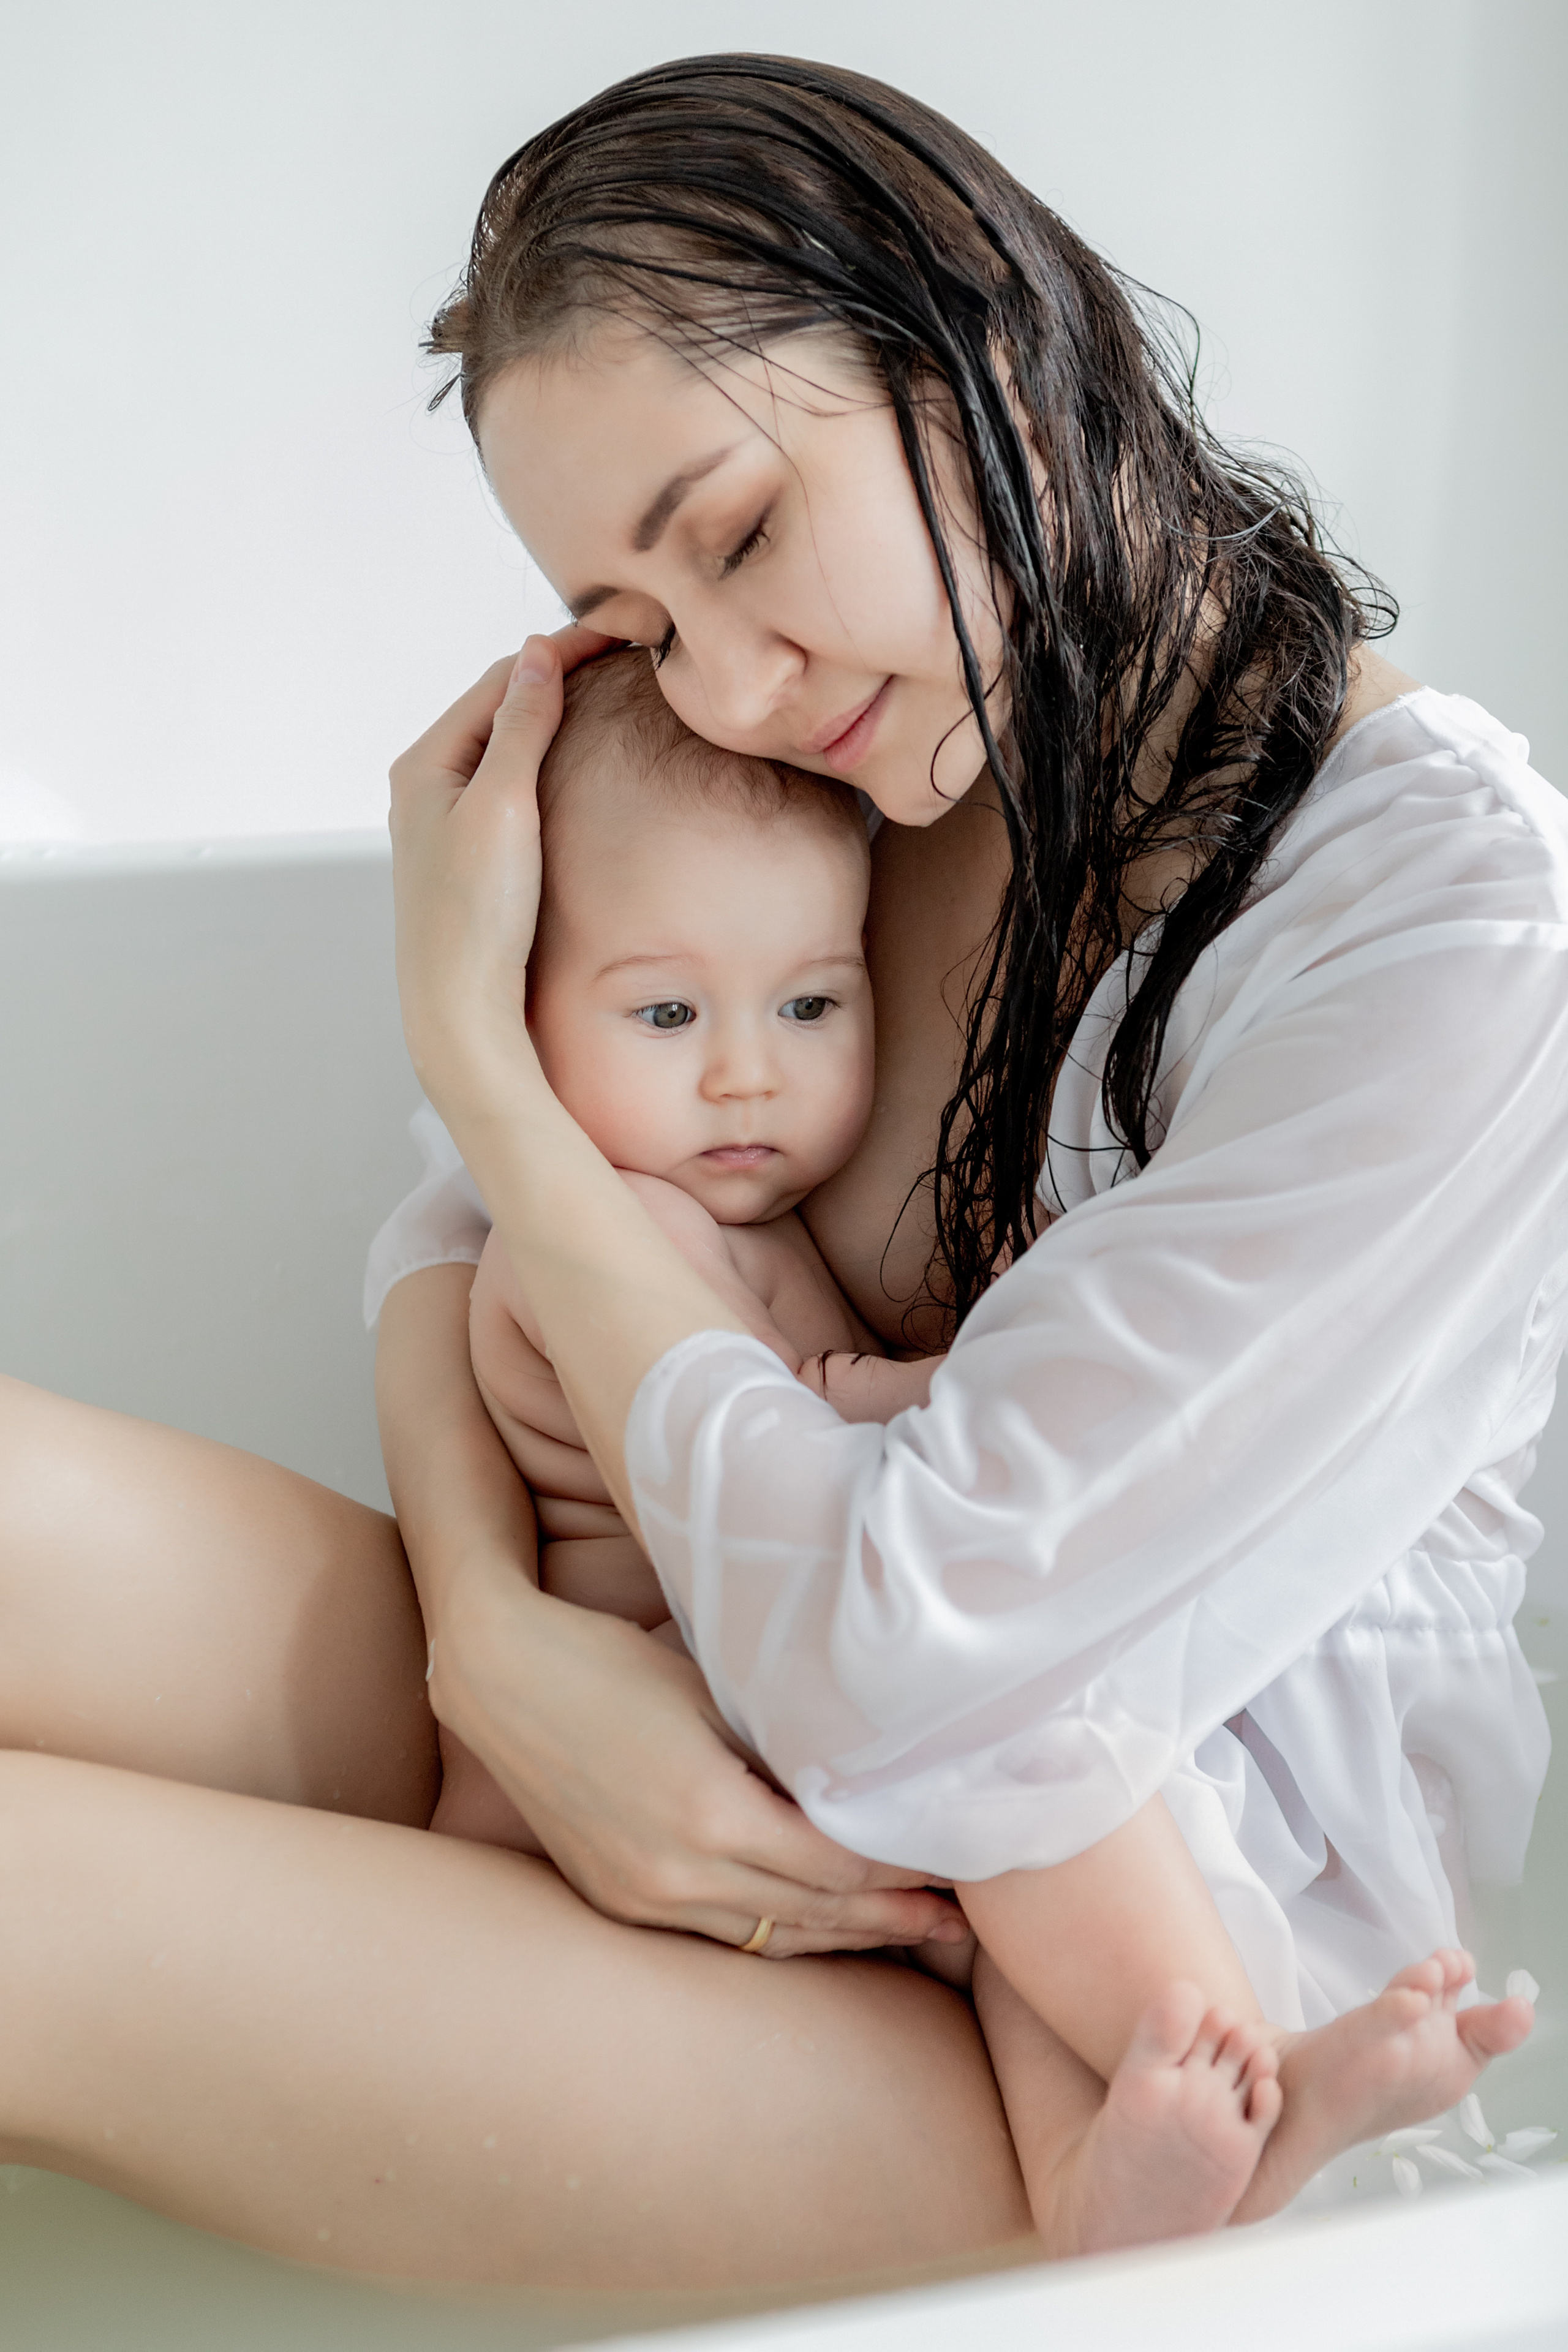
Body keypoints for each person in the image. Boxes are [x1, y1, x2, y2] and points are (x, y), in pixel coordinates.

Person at [0, 53, 1555, 2286]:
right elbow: (491, 1234)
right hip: (659, 1697)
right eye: (634, 627)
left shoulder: (1457, 949)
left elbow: (923, 1652)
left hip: (1104, 2036)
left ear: (987, 350)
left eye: (733, 533)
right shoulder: (892, 764)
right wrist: (497, 1647)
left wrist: (474, 1035)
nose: (719, 682)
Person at [420, 647, 1532, 2251]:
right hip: (657, 1739)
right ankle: (1236, 2057)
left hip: (772, 1703)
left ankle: (1122, 2147)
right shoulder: (581, 1244)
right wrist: (933, 1384)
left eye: (809, 1005)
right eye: (668, 1013)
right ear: (525, 1009)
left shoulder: (689, 1195)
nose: (749, 1071)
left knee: (1012, 1781)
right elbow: (778, 1442)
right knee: (1029, 1764)